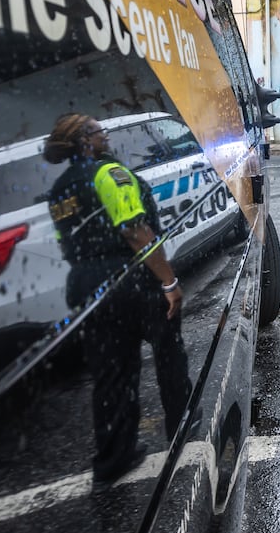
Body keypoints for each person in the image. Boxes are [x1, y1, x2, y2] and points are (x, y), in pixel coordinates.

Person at [42, 113, 191, 492]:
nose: (104, 135)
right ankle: (182, 424)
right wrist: (169, 281)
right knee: (167, 350)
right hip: (128, 278)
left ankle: (113, 457)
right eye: (97, 131)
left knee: (111, 373)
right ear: (84, 141)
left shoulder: (59, 189)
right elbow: (135, 231)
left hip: (85, 284)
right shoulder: (108, 173)